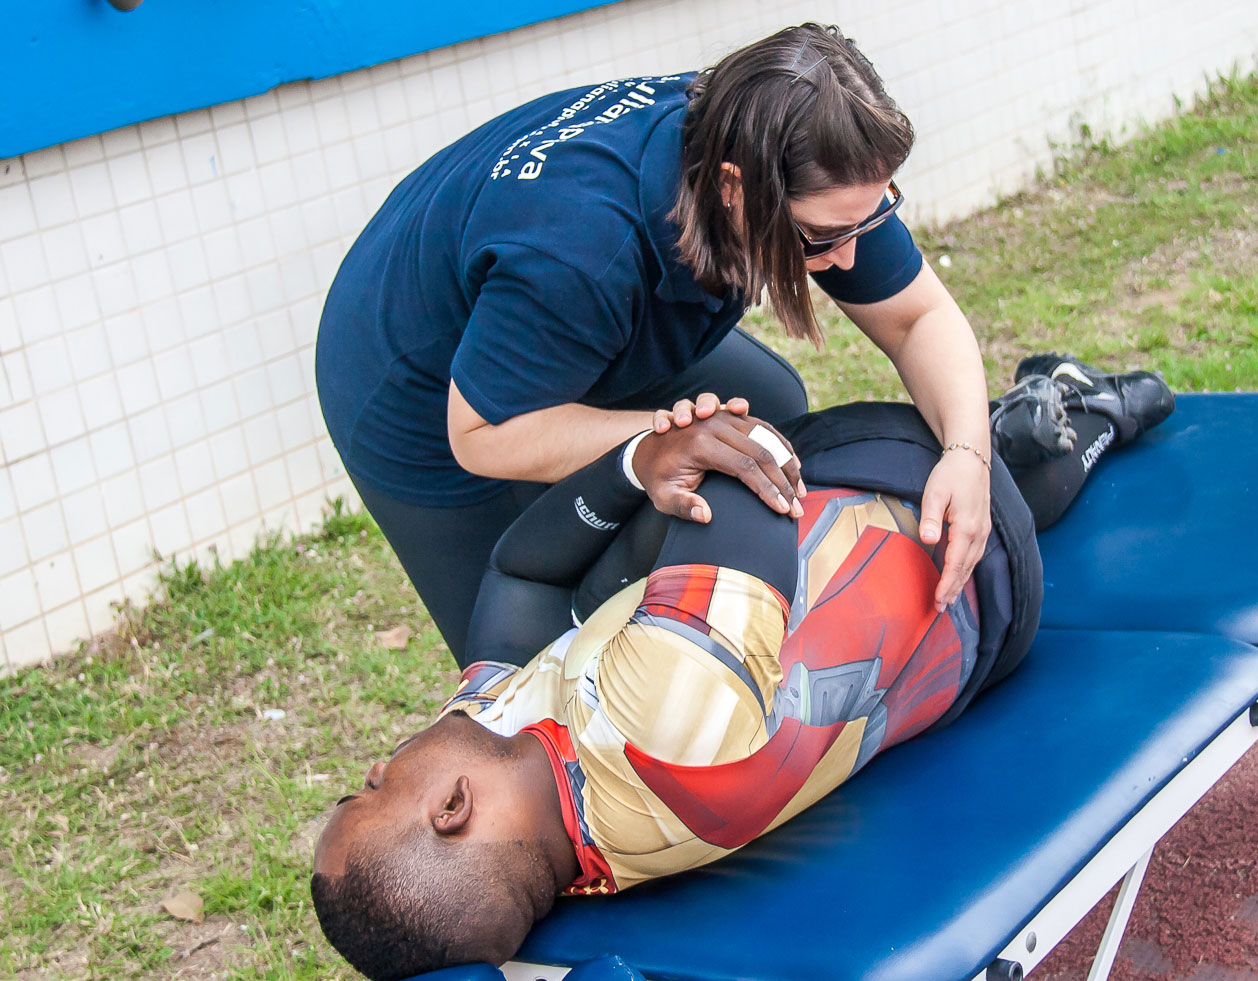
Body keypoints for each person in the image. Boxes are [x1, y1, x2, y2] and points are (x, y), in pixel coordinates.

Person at [309, 358, 1174, 981]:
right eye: (373, 787)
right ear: (452, 809)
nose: (379, 762)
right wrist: (660, 458)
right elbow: (752, 472)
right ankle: (1078, 421)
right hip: (961, 569)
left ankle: (1040, 423)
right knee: (977, 468)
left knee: (646, 519)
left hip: (835, 556)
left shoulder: (512, 756)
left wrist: (629, 468)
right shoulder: (662, 726)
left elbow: (518, 574)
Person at [314, 23, 999, 668]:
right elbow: (483, 433)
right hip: (418, 387)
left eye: (869, 219)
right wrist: (665, 440)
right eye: (820, 238)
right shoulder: (583, 252)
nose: (850, 259)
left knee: (770, 408)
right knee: (530, 667)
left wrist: (969, 456)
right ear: (735, 188)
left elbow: (917, 319)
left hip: (544, 304)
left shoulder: (801, 150)